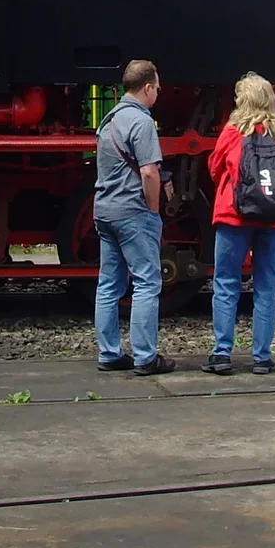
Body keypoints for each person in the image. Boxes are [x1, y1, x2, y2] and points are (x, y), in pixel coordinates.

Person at [203, 73, 275, 377]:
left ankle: (222, 354)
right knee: (267, 286)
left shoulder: (233, 131)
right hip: (274, 217)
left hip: (235, 214)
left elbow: (215, 167)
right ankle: (262, 357)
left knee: (226, 283)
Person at [92, 60, 176, 376]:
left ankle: (109, 352)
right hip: (132, 212)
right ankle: (145, 357)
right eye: (158, 87)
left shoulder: (108, 120)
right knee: (146, 282)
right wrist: (153, 211)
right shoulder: (141, 123)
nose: (159, 93)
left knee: (109, 285)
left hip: (104, 211)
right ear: (148, 87)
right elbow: (149, 172)